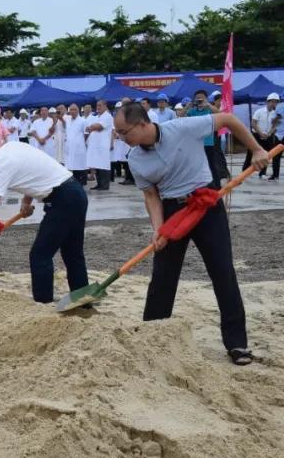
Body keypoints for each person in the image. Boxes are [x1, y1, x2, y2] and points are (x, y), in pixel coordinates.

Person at [114, 103, 269, 365]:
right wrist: (158, 229)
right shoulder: (135, 159)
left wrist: (256, 149)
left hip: (206, 204)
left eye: (123, 132)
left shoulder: (183, 128)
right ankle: (152, 336)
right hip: (172, 211)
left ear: (142, 124)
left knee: (222, 272)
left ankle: (237, 344)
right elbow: (151, 195)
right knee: (163, 276)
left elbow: (228, 119)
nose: (120, 137)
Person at [0, 140, 89, 305]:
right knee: (72, 254)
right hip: (74, 192)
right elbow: (33, 170)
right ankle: (84, 301)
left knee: (40, 254)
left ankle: (43, 304)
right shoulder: (11, 147)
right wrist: (26, 202)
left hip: (64, 200)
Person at [185, 89, 228, 188]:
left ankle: (217, 186)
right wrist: (188, 106)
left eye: (202, 98)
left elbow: (220, 114)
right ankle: (200, 186)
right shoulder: (192, 111)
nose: (199, 100)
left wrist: (207, 104)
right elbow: (180, 116)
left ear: (206, 99)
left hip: (208, 143)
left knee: (212, 165)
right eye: (197, 99)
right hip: (196, 143)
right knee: (197, 166)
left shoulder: (209, 109)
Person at [247, 93, 280, 179]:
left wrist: (269, 134)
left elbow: (275, 126)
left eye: (276, 102)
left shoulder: (276, 114)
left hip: (268, 136)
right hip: (256, 135)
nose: (274, 104)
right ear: (267, 102)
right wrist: (261, 133)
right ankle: (245, 171)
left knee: (266, 155)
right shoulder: (259, 111)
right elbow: (253, 123)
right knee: (251, 154)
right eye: (272, 102)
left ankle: (262, 173)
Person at [85, 99, 114, 191]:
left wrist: (92, 127)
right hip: (95, 145)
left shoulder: (108, 116)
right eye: (97, 106)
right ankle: (99, 184)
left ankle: (105, 185)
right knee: (97, 164)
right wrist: (92, 127)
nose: (98, 108)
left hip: (103, 145)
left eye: (100, 105)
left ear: (105, 106)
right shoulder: (97, 117)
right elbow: (88, 128)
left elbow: (99, 127)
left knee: (103, 165)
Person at [65, 102, 89, 185]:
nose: (72, 111)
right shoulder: (68, 121)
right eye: (71, 110)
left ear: (78, 110)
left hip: (79, 146)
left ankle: (82, 182)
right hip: (70, 146)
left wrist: (81, 142)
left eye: (74, 109)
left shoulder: (83, 121)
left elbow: (86, 133)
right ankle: (75, 183)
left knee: (80, 165)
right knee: (72, 166)